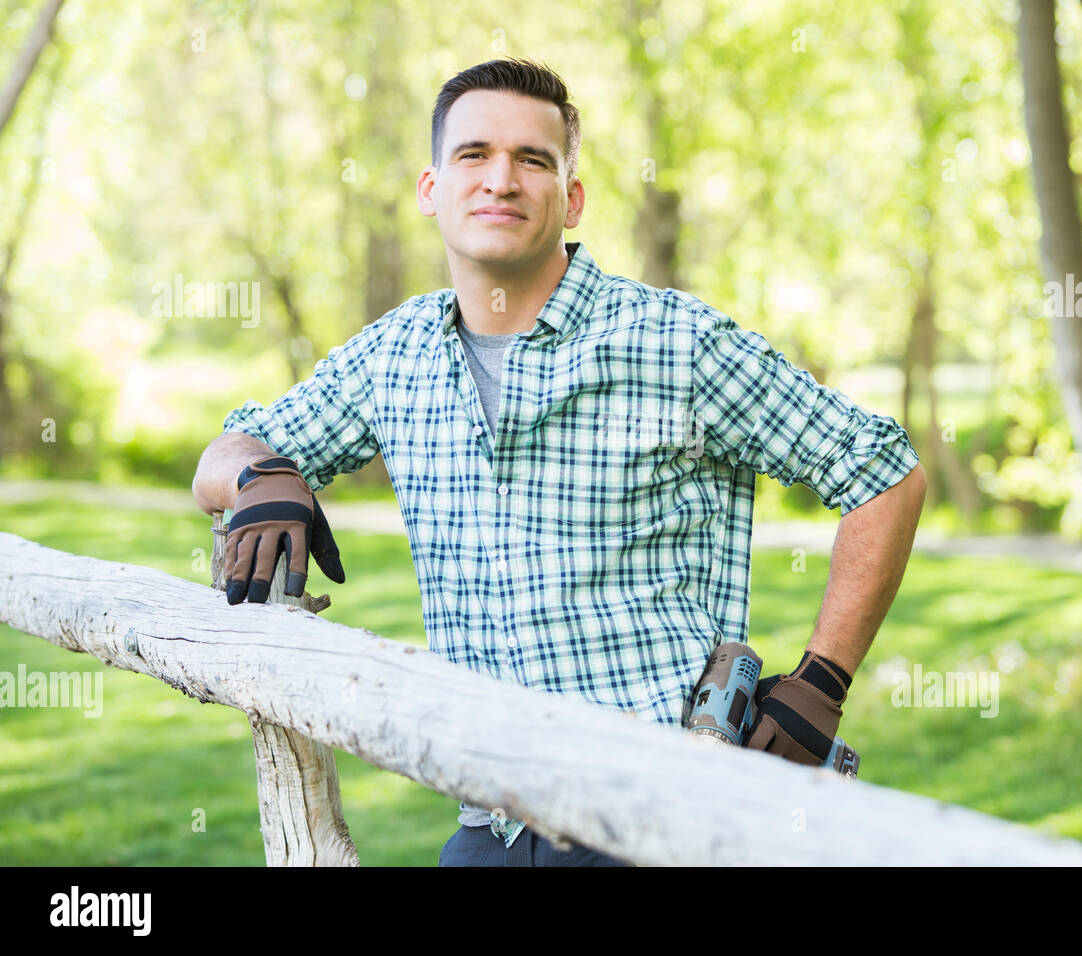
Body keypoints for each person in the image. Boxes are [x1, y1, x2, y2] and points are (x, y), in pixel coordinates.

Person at [191, 57, 927, 867]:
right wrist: (261, 479)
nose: (500, 180)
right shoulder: (392, 356)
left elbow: (882, 468)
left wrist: (821, 683)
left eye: (532, 160)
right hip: (489, 827)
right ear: (431, 189)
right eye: (474, 155)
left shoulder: (673, 343)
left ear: (570, 198)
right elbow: (224, 451)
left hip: (662, 822)